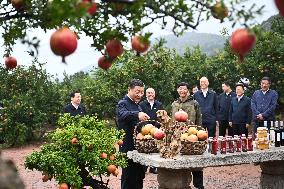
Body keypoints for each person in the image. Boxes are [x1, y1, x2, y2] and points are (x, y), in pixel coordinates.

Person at [116, 79, 150, 189]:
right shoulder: (122, 103)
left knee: (139, 176)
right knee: (128, 177)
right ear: (129, 90)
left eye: (141, 92)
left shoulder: (138, 105)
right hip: (127, 146)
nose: (140, 95)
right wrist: (137, 114)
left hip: (138, 146)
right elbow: (122, 115)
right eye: (137, 92)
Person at [172, 82, 203, 189]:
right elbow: (172, 121)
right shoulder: (174, 104)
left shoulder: (194, 103)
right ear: (177, 90)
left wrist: (199, 133)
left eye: (184, 89)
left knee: (196, 162)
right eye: (180, 89)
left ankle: (199, 185)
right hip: (178, 136)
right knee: (179, 160)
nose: (182, 91)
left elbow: (199, 120)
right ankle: (182, 185)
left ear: (188, 91)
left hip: (192, 134)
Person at [139, 87, 163, 174]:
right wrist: (145, 127)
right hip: (144, 130)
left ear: (154, 94)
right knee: (145, 148)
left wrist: (156, 127)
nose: (150, 94)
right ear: (146, 95)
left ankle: (153, 167)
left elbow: (161, 118)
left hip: (156, 130)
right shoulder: (141, 104)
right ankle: (144, 167)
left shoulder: (159, 104)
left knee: (155, 148)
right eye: (148, 93)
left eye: (151, 93)